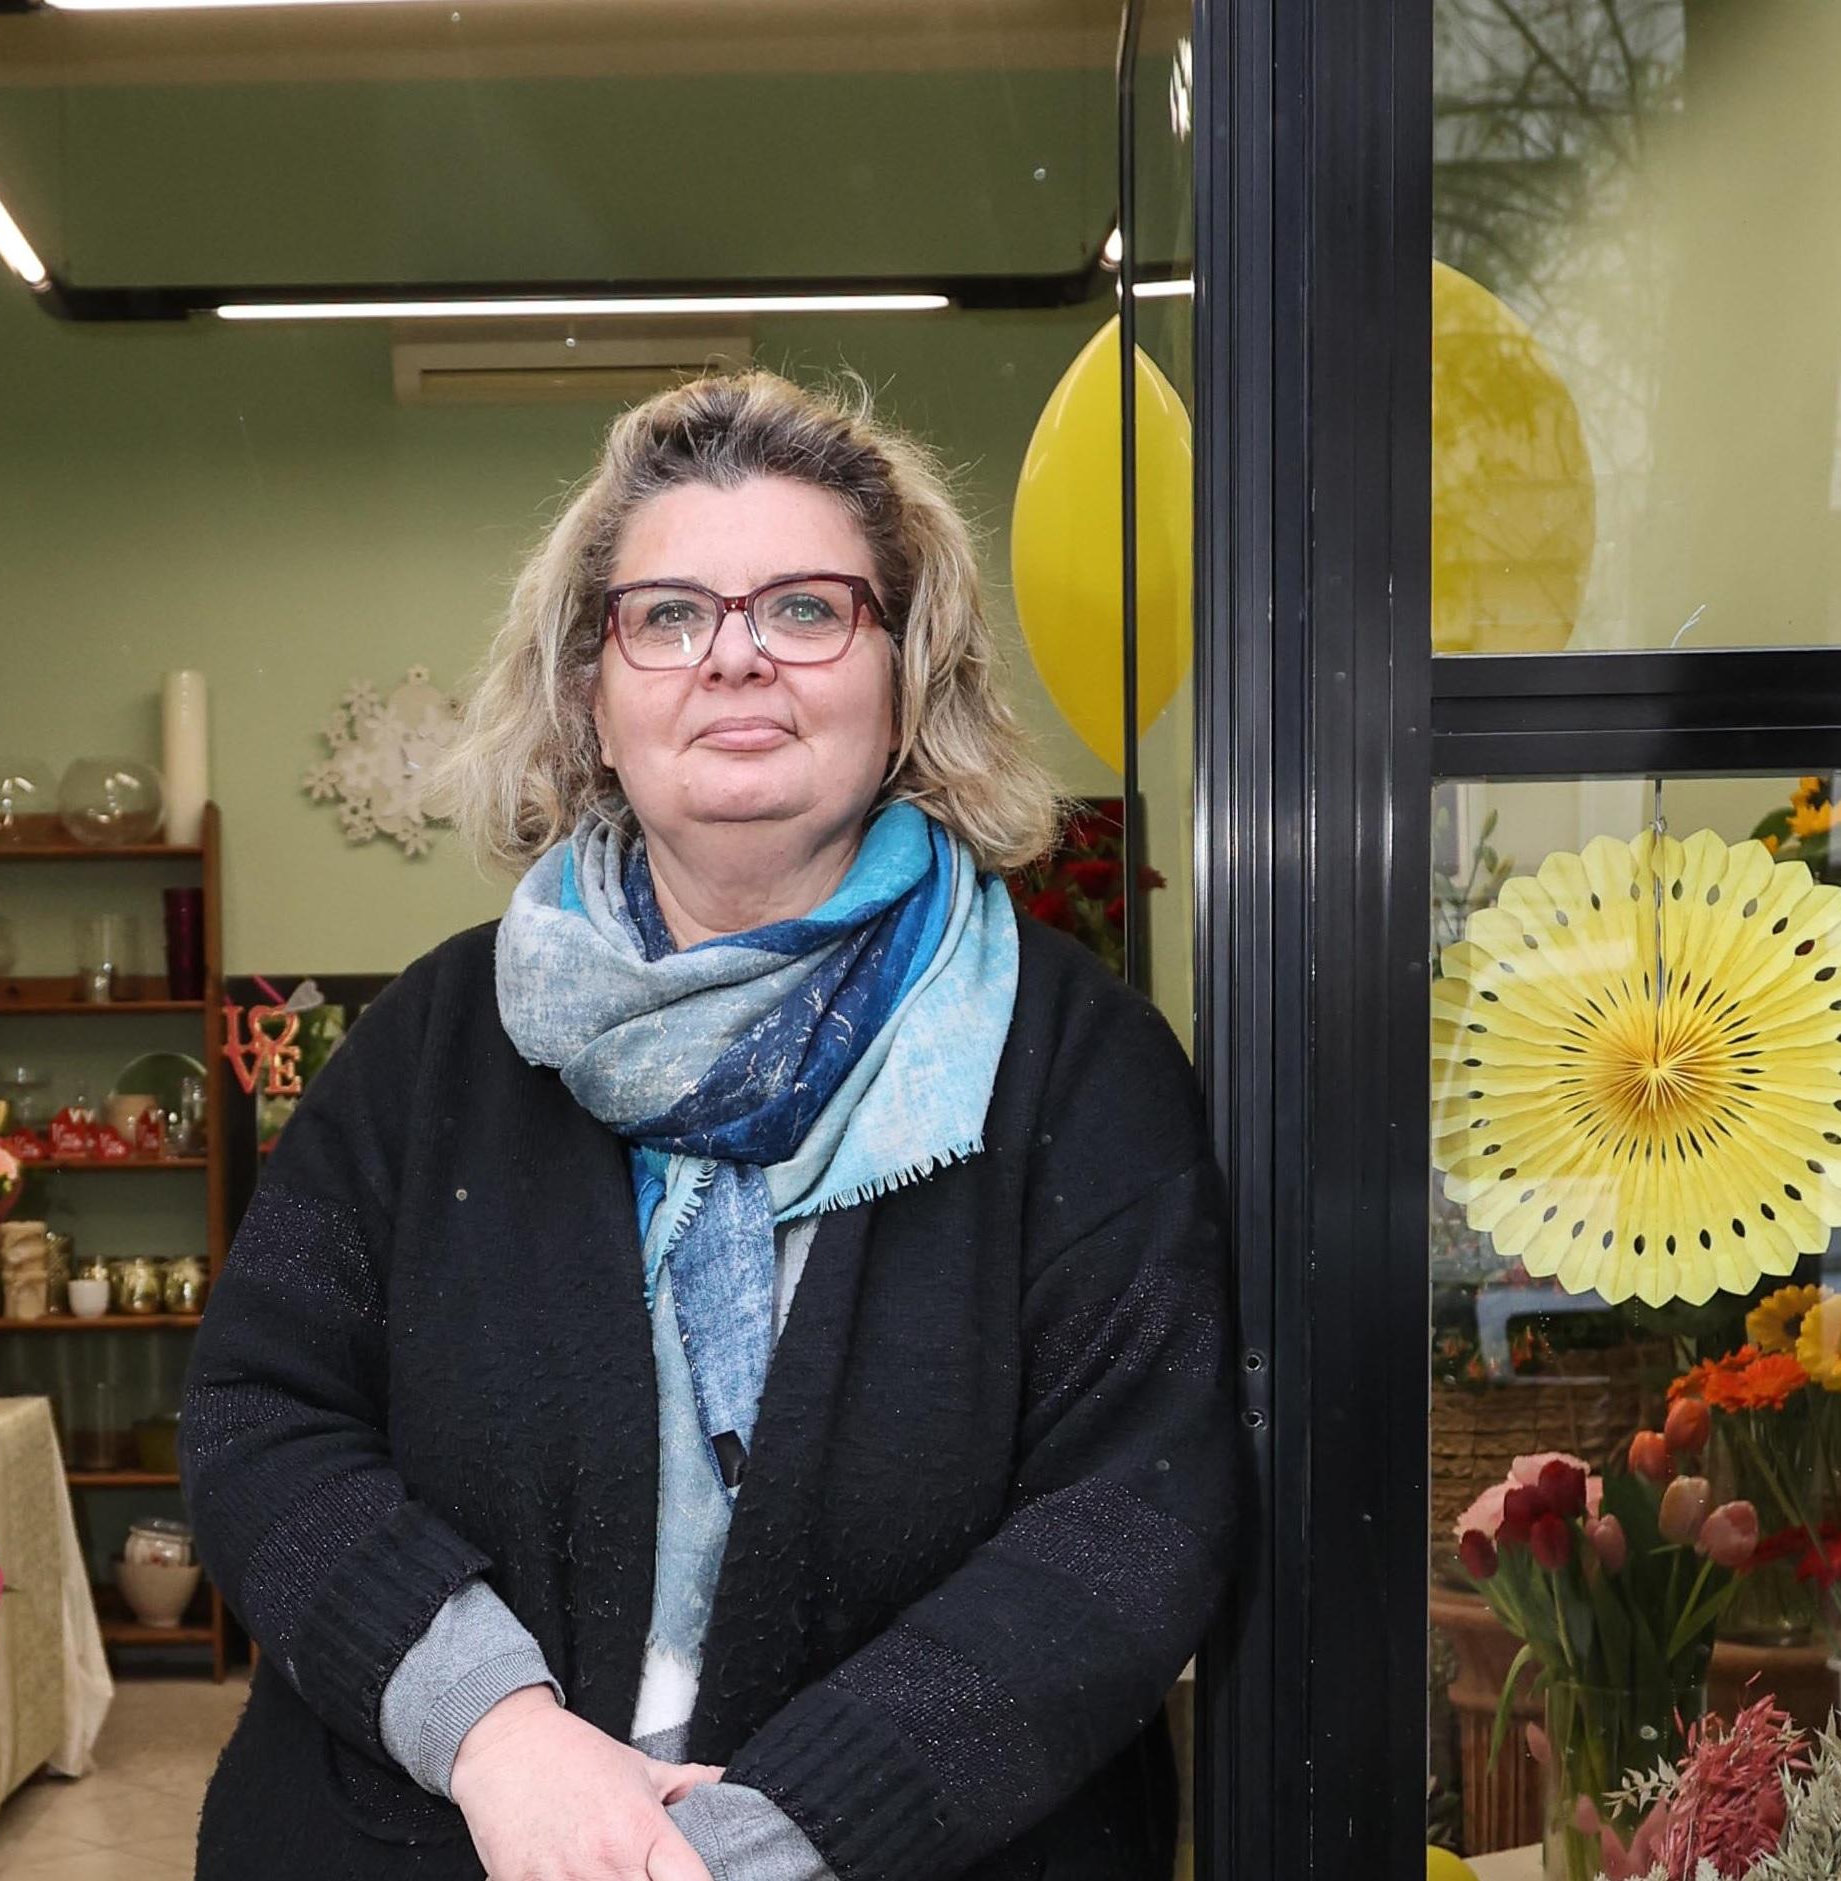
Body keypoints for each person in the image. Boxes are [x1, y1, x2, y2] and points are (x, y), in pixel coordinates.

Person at [181, 370, 1240, 1881]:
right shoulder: (430, 1046)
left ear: (904, 675)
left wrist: (779, 1832)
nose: (733, 659)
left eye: (805, 609)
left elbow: (1136, 1520)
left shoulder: (1079, 1064)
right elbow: (255, 1425)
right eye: (667, 615)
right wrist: (503, 1738)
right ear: (588, 698)